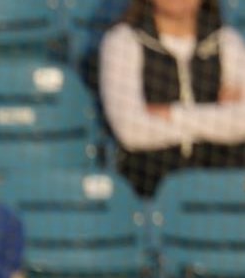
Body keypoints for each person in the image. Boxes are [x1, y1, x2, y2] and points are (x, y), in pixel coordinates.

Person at [99, 0, 245, 198]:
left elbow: (241, 123)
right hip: (150, 187)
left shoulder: (228, 41)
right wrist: (217, 118)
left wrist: (172, 114)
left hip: (225, 188)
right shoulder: (122, 41)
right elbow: (131, 132)